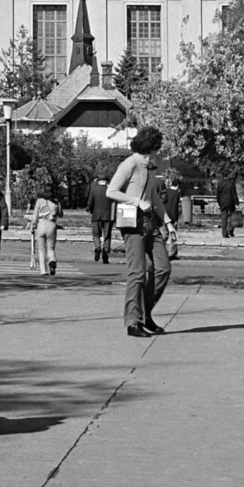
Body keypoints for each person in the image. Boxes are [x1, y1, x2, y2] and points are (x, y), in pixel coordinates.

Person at [107, 126, 171, 337]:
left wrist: (168, 223)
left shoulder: (149, 167)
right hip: (132, 222)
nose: (159, 152)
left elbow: (154, 197)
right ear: (151, 147)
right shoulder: (130, 164)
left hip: (150, 222)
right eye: (157, 147)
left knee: (162, 268)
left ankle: (144, 313)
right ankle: (133, 322)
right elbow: (111, 191)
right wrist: (136, 201)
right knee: (138, 272)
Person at [27, 191, 61, 275]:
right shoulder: (56, 202)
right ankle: (52, 260)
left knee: (41, 249)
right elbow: (60, 214)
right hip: (52, 225)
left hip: (41, 225)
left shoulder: (39, 201)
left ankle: (43, 270)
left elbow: (35, 215)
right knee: (50, 248)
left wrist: (33, 225)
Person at [86, 172, 114, 263]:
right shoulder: (110, 190)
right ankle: (105, 257)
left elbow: (90, 203)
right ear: (106, 181)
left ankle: (97, 247)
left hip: (96, 214)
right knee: (107, 236)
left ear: (98, 181)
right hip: (108, 215)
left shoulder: (94, 190)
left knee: (96, 234)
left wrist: (91, 211)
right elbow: (114, 203)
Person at [215, 172, 240, 238]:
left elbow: (218, 195)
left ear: (222, 175)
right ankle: (230, 230)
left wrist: (218, 203)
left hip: (222, 202)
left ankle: (224, 233)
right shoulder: (231, 183)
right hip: (230, 201)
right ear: (228, 175)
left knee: (224, 218)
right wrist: (237, 203)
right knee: (232, 216)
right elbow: (234, 194)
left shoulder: (220, 184)